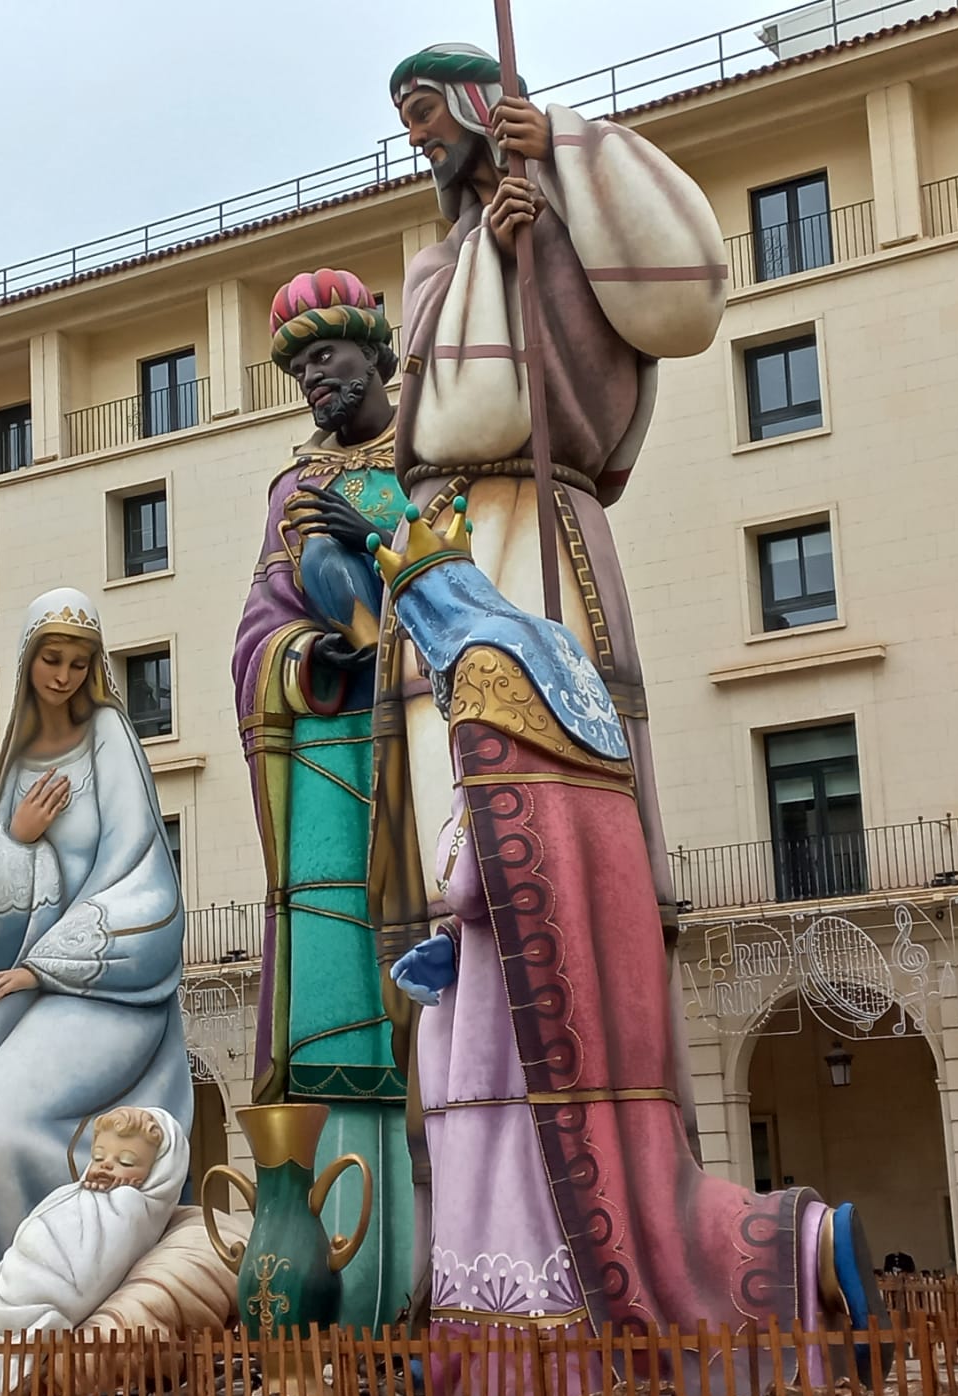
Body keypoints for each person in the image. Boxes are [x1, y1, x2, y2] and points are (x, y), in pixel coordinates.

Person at [376, 509, 882, 1396]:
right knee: (619, 1181)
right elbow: (549, 863)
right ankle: (805, 1249)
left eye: (415, 622)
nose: (422, 651)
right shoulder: (556, 666)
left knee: (518, 1176)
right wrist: (460, 955)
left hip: (516, 1035)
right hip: (564, 991)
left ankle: (529, 1368)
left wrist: (453, 902)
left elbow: (478, 866)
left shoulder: (486, 672)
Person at [370, 45, 727, 1167]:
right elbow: (423, 395)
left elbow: (681, 301)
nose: (418, 137)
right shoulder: (437, 265)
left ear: (481, 108)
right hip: (444, 540)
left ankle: (582, 1062)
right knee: (445, 796)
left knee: (549, 757)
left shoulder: (558, 226)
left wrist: (560, 155)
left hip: (537, 530)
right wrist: (492, 246)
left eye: (429, 113)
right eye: (406, 123)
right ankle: (462, 986)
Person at [0, 589, 191, 1331]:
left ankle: (38, 1310)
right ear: (28, 661)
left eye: (77, 663)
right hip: (28, 987)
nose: (62, 676)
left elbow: (144, 878)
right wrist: (15, 838)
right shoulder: (19, 764)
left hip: (105, 984)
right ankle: (6, 1301)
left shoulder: (108, 734)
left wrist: (40, 967)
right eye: (50, 660)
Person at [232, 268, 414, 1328]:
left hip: (419, 737)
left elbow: (460, 571)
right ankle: (355, 1279)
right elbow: (257, 624)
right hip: (325, 748)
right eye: (298, 367)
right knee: (335, 992)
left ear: (374, 356)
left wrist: (370, 541)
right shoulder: (287, 486)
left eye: (328, 359)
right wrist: (308, 649)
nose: (314, 380)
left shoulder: (432, 452)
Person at [0, 1107, 187, 1338]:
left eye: (126, 1162)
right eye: (98, 1157)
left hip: (46, 1295)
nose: (106, 1165)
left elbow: (91, 1277)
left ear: (159, 1172)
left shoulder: (131, 1205)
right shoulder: (67, 1192)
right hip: (12, 1281)